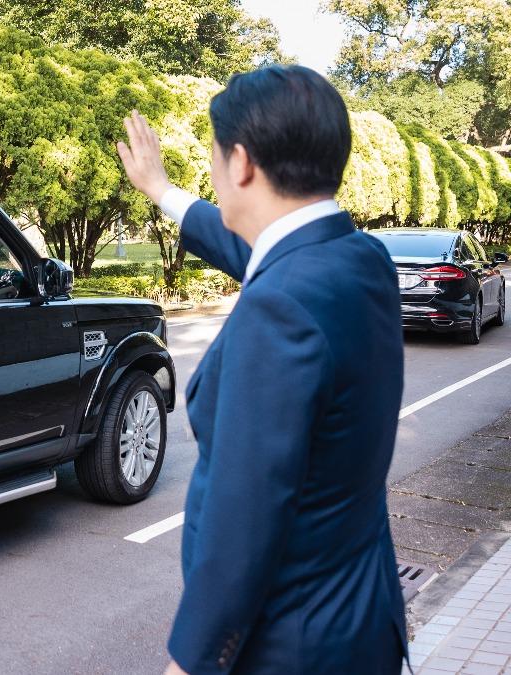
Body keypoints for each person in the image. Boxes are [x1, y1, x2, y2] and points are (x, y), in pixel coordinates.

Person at [115, 65, 406, 674]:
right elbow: (263, 253)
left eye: (218, 157)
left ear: (241, 163)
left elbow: (242, 523)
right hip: (359, 624)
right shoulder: (361, 260)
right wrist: (163, 192)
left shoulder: (280, 310)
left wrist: (191, 663)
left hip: (289, 649)